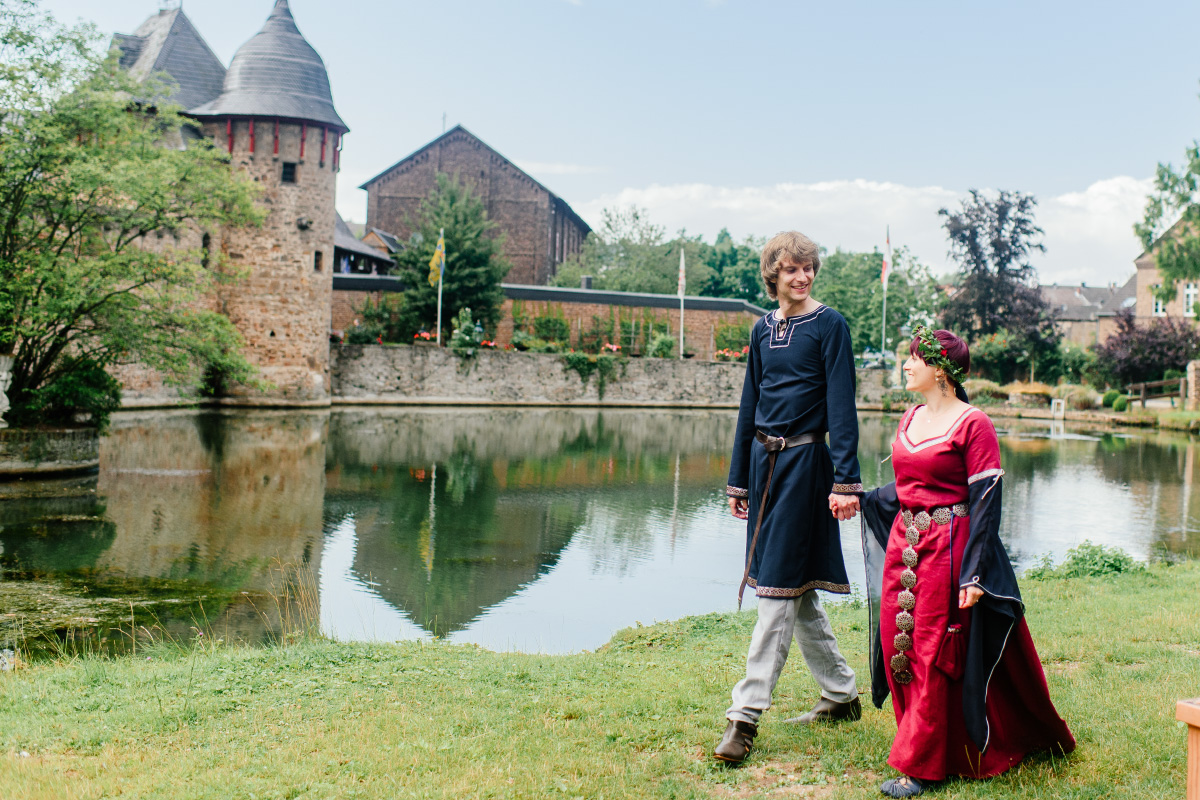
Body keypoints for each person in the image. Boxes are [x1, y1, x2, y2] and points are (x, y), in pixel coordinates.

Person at [859, 327, 1075, 797]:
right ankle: (931, 741)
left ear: (941, 370)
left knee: (934, 652)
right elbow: (907, 487)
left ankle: (920, 766)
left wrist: (974, 572)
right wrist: (861, 497)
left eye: (914, 359)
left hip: (949, 550)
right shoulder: (910, 417)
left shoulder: (974, 424)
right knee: (899, 647)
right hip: (904, 548)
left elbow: (986, 500)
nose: (906, 365)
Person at [714, 231, 864, 765]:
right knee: (794, 591)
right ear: (773, 274)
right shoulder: (761, 329)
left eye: (808, 268)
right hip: (763, 468)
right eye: (792, 269)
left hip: (806, 468)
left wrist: (845, 482)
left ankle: (744, 717)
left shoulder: (829, 325)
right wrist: (739, 480)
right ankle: (841, 694)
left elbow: (842, 406)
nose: (802, 277)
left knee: (776, 590)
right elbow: (749, 405)